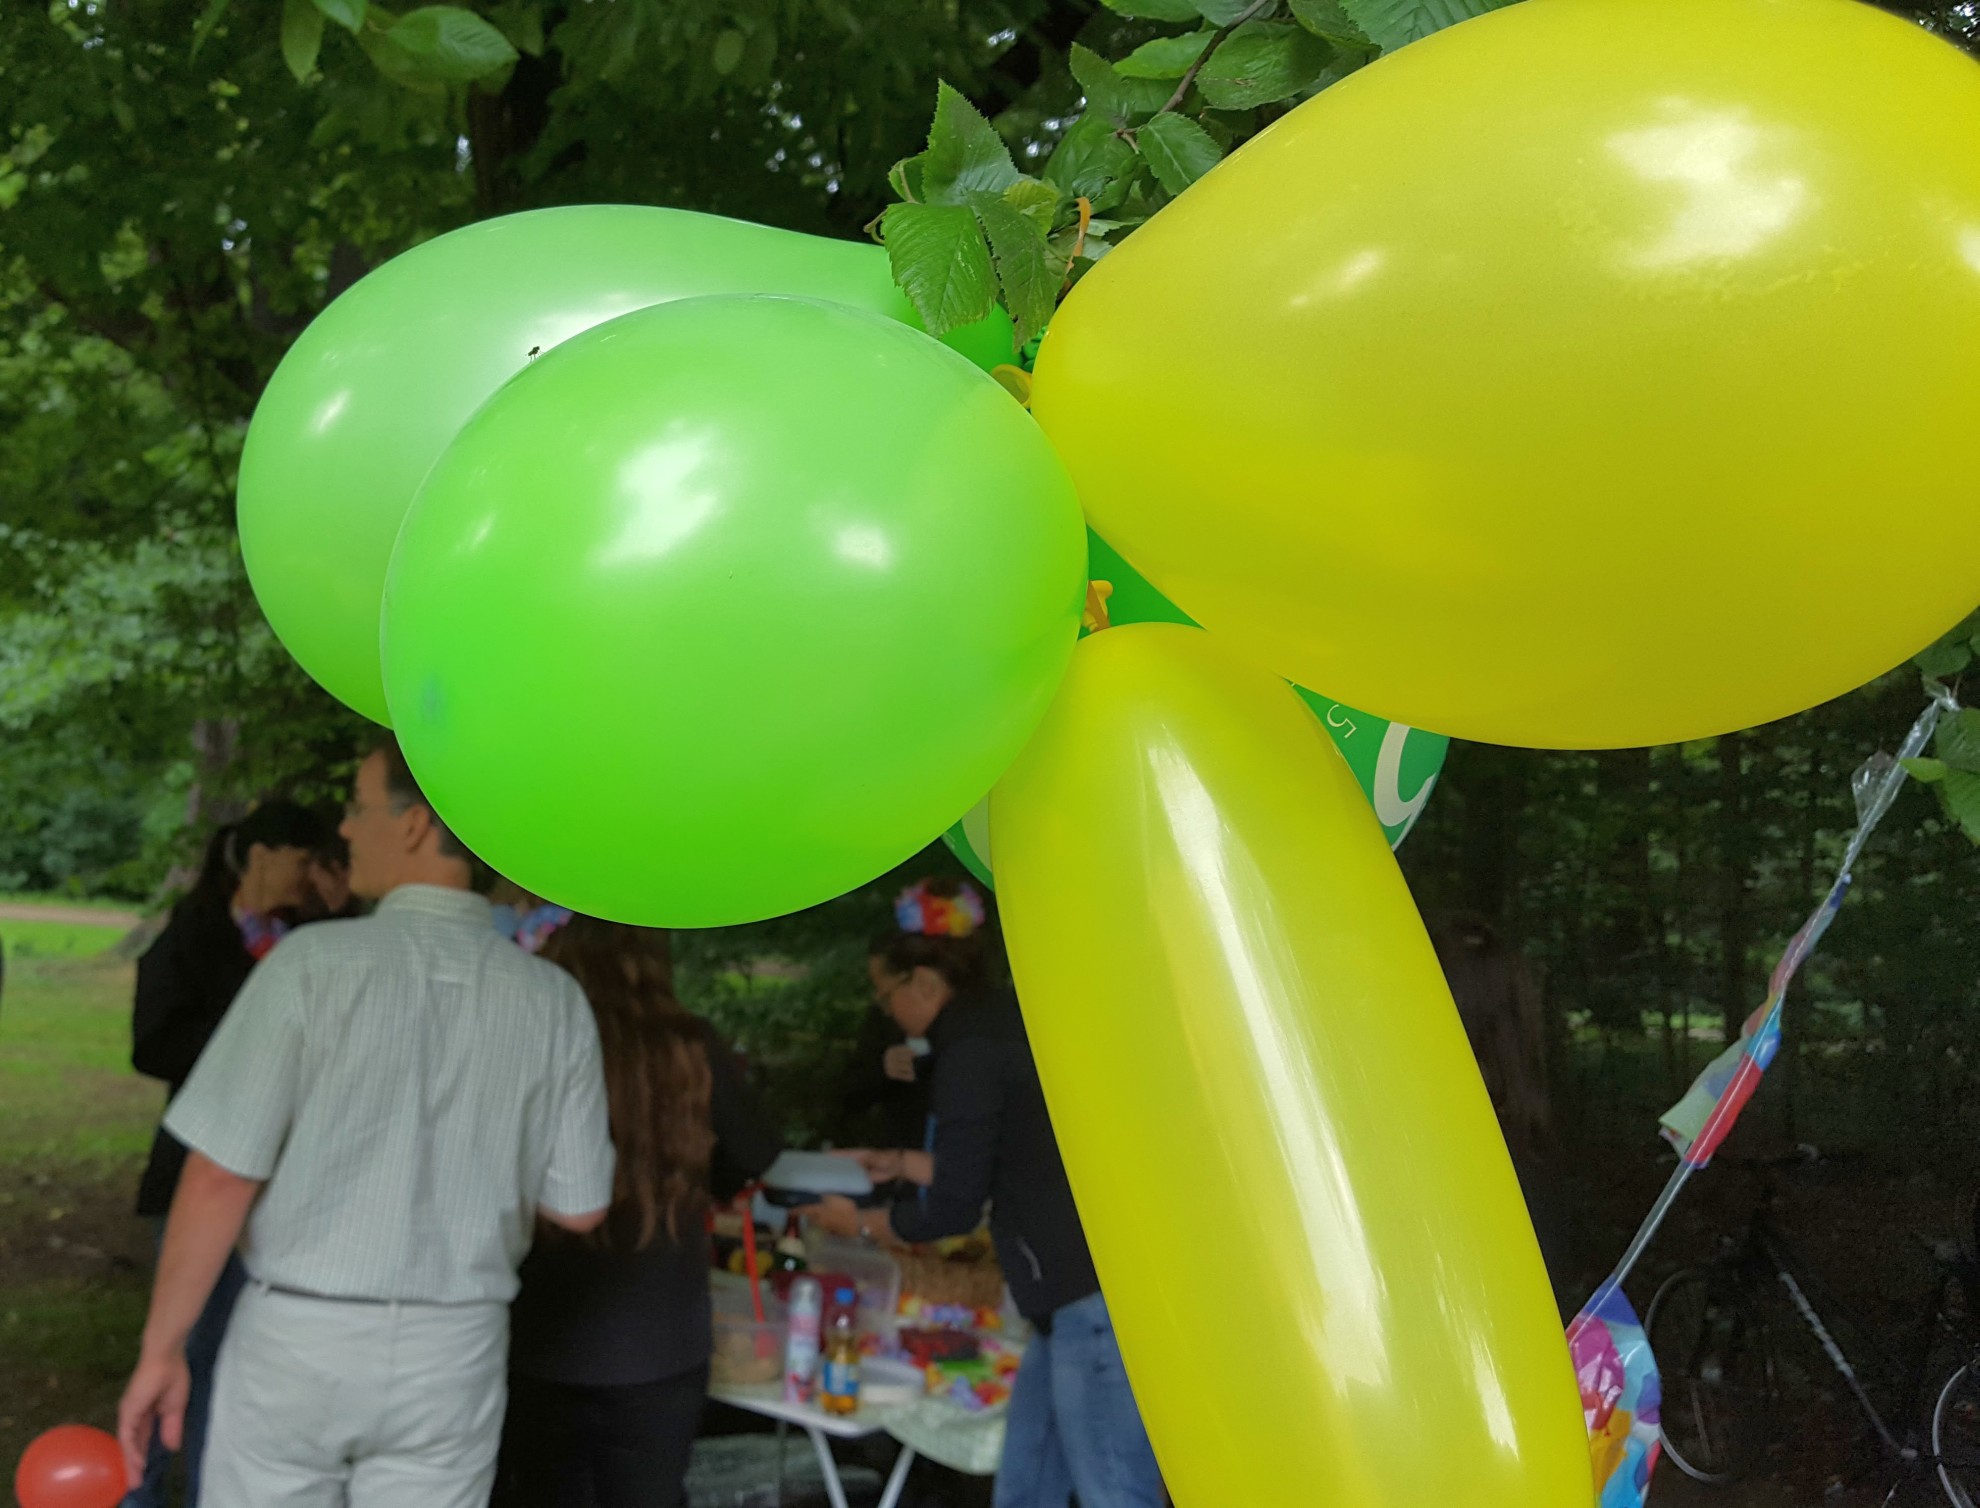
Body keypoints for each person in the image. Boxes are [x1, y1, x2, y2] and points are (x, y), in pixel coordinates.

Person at [116, 739, 616, 1508]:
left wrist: (162, 1349)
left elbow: (220, 1172)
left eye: (355, 806)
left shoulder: (310, 966)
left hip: (300, 1338)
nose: (343, 831)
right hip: (457, 1346)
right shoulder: (553, 1000)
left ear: (416, 824)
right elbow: (579, 1206)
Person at [811, 879, 1165, 1508]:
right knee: (1025, 1486)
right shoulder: (1002, 1022)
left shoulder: (970, 1051)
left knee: (1116, 1493)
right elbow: (997, 1159)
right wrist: (893, 1162)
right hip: (1072, 1300)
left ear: (923, 983)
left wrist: (860, 1222)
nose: (884, 1008)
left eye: (884, 992)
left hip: (1089, 1300)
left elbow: (953, 1206)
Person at [495, 917, 782, 1508]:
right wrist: (704, 1181)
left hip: (543, 1327)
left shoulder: (533, 1036)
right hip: (660, 1338)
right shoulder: (691, 1045)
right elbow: (757, 1151)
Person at [125, 800, 326, 1508]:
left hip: (284, 1194)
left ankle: (213, 1487)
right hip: (193, 1176)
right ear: (262, 855)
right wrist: (256, 1038)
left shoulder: (316, 939)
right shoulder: (193, 933)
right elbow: (151, 1043)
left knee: (238, 1366)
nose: (311, 878)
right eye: (303, 862)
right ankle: (140, 1492)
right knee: (178, 1345)